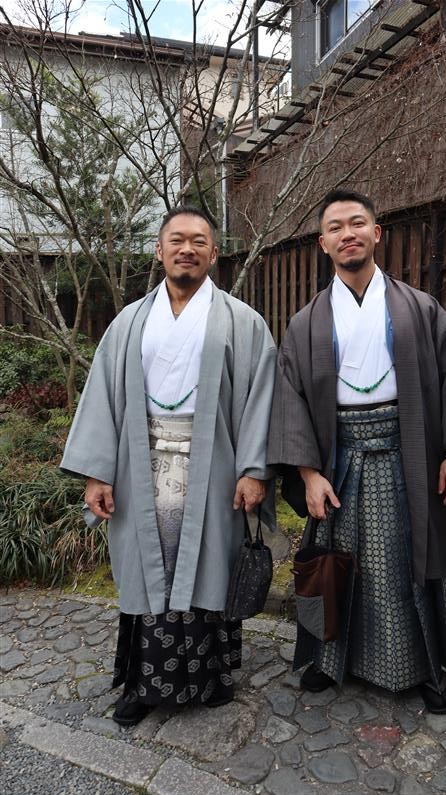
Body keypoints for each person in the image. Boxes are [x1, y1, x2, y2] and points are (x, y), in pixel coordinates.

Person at [267, 188, 446, 713]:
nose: (347, 234)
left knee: (409, 559)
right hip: (339, 460)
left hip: (407, 453)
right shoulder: (305, 323)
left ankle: (429, 668)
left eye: (357, 223)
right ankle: (329, 659)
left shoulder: (420, 308)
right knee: (338, 559)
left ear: (376, 233)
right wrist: (308, 474)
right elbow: (290, 401)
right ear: (323, 243)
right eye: (335, 227)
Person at [61, 206, 276, 725]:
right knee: (146, 568)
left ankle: (212, 678)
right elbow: (103, 398)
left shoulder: (242, 322)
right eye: (177, 240)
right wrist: (98, 473)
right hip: (141, 463)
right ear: (159, 251)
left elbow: (261, 399)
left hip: (215, 466)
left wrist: (254, 470)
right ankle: (143, 685)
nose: (187, 249)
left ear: (214, 253)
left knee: (209, 565)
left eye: (199, 241)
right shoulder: (129, 322)